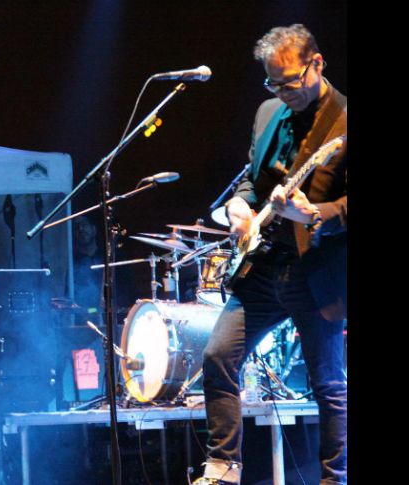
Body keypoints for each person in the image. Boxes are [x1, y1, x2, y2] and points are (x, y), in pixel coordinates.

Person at [193, 24, 346, 485]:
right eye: (273, 83)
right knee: (217, 357)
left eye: (290, 82)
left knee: (327, 383)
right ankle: (222, 470)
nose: (282, 93)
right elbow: (251, 179)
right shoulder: (266, 113)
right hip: (261, 265)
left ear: (317, 64)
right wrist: (240, 206)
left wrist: (313, 214)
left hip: (315, 269)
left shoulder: (342, 121)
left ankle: (334, 477)